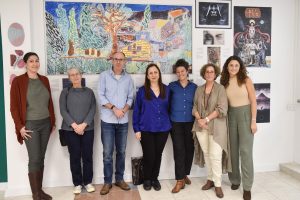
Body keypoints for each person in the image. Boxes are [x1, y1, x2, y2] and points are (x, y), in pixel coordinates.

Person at [10, 52, 55, 200]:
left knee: (40, 158)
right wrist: (20, 127)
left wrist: (52, 122)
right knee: (34, 158)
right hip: (30, 125)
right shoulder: (18, 81)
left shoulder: (44, 80)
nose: (35, 64)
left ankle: (40, 191)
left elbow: (49, 102)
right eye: (31, 61)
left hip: (45, 124)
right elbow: (14, 107)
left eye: (37, 61)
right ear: (25, 63)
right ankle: (35, 195)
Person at [220, 55, 257, 200]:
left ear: (240, 66)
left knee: (246, 151)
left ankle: (247, 187)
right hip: (230, 116)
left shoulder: (246, 80)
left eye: (236, 65)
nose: (233, 68)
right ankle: (235, 180)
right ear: (227, 67)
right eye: (231, 65)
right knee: (232, 151)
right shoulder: (223, 81)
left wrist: (253, 121)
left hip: (246, 115)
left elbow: (254, 101)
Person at [98, 51, 134, 195]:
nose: (118, 61)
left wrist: (123, 110)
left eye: (121, 59)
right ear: (112, 61)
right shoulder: (104, 76)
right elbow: (100, 96)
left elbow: (131, 98)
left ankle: (119, 179)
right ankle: (107, 182)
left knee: (121, 151)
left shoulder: (128, 79)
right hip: (107, 120)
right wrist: (114, 108)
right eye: (116, 59)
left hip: (123, 121)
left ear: (125, 61)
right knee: (107, 153)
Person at [192, 63, 230, 198]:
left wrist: (206, 120)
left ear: (215, 74)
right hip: (200, 127)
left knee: (215, 156)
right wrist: (200, 120)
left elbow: (222, 109)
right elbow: (194, 107)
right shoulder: (199, 89)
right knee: (207, 154)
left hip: (216, 128)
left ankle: (218, 184)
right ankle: (210, 179)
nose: (209, 74)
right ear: (204, 74)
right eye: (207, 72)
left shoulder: (220, 89)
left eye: (211, 72)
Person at [133, 63, 171, 191]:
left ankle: (155, 178)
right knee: (149, 155)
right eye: (151, 73)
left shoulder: (167, 90)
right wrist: (136, 129)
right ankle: (147, 179)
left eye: (155, 72)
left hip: (163, 128)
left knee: (158, 154)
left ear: (159, 74)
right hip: (146, 128)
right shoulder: (142, 91)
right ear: (147, 76)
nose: (153, 75)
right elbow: (136, 111)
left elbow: (170, 108)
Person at [59, 67, 96, 194]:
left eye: (77, 74)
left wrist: (83, 125)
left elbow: (93, 109)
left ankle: (88, 182)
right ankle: (77, 183)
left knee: (87, 156)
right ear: (69, 78)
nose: (75, 77)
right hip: (70, 130)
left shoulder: (89, 92)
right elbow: (63, 111)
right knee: (74, 157)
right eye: (72, 75)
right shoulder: (65, 92)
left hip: (88, 129)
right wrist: (75, 126)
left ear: (81, 75)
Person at [169, 59, 197, 193]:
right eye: (178, 71)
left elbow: (198, 104)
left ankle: (185, 174)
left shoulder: (194, 87)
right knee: (179, 150)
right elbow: (165, 103)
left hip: (191, 122)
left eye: (183, 71)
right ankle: (179, 180)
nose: (180, 73)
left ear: (187, 71)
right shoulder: (171, 86)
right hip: (175, 123)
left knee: (189, 149)